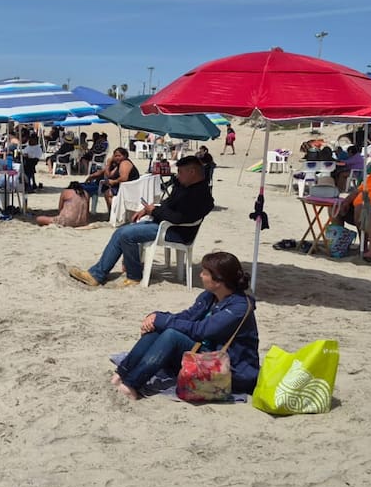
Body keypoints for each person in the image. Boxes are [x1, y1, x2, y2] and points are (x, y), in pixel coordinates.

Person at [112, 252, 259, 399]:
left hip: (229, 369)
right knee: (159, 328)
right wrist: (156, 317)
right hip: (205, 356)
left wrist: (162, 321)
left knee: (171, 335)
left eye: (205, 273)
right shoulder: (210, 296)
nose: (200, 275)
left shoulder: (238, 308)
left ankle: (132, 384)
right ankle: (121, 374)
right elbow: (187, 317)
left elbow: (202, 330)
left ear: (218, 280)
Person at [68, 156, 213, 288]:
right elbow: (169, 205)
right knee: (122, 232)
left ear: (192, 172)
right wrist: (149, 209)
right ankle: (97, 274)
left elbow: (179, 218)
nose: (178, 176)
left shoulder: (199, 194)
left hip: (175, 232)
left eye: (181, 172)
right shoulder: (186, 188)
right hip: (166, 226)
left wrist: (153, 211)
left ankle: (133, 275)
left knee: (126, 235)